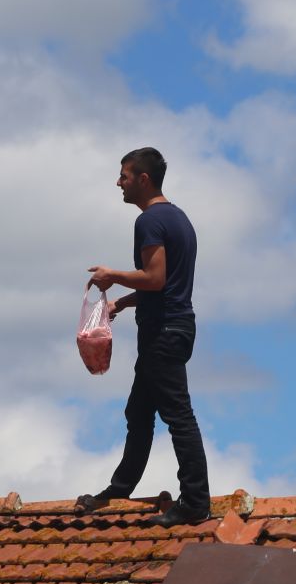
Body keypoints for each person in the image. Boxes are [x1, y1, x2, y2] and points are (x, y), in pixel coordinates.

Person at [79, 147, 212, 526]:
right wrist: (122, 303)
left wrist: (112, 276)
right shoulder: (179, 219)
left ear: (143, 179)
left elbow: (154, 277)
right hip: (175, 326)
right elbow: (166, 284)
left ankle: (195, 502)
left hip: (163, 332)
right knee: (138, 412)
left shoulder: (149, 221)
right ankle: (119, 490)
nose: (118, 183)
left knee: (178, 415)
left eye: (123, 176)